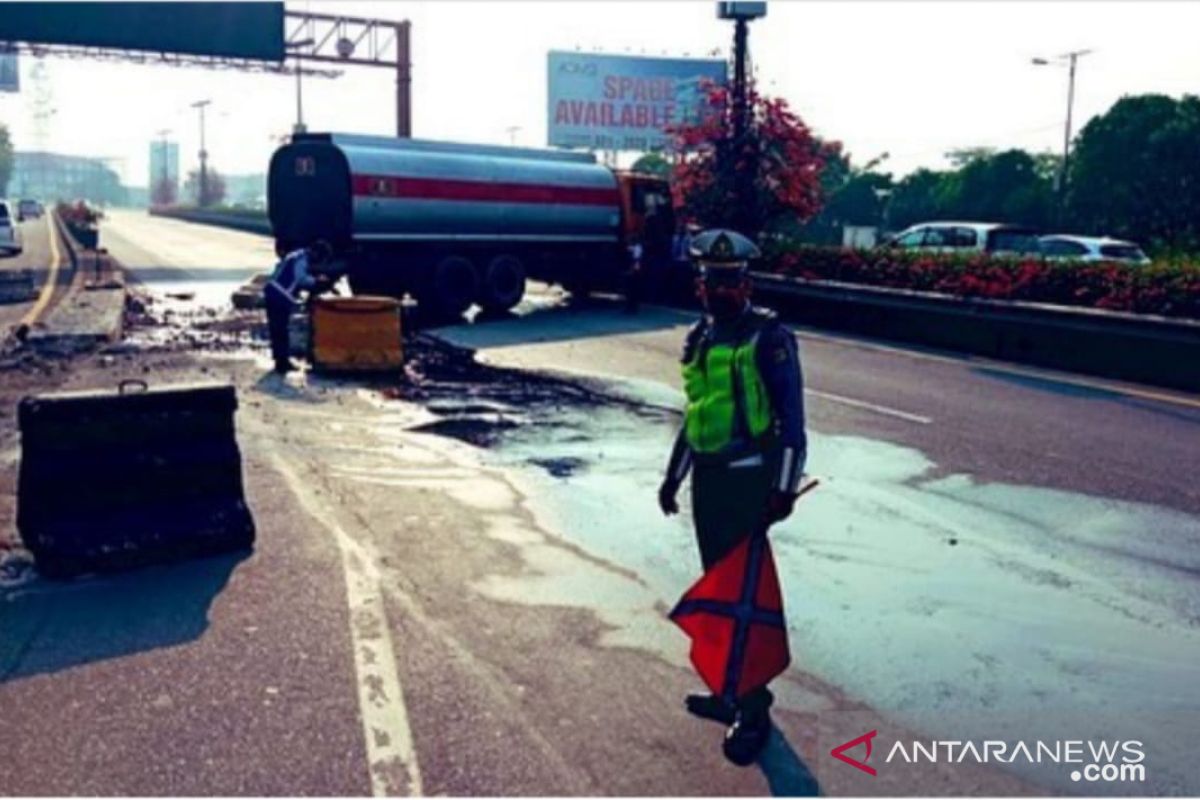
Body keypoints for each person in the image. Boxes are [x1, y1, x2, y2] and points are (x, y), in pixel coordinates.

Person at [657, 228, 807, 766]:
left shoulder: (769, 338)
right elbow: (695, 414)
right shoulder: (700, 336)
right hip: (709, 481)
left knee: (745, 595)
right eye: (710, 281)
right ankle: (730, 692)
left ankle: (754, 709)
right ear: (700, 285)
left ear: (747, 283)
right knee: (718, 587)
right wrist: (673, 477)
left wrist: (783, 489)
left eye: (729, 281)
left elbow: (793, 422)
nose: (718, 290)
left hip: (749, 482)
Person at [264, 241, 332, 374]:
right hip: (280, 295)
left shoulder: (297, 255)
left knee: (277, 329)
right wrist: (318, 282)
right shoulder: (302, 259)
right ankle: (282, 363)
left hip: (274, 292)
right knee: (280, 329)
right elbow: (301, 279)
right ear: (316, 254)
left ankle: (280, 360)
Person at [623, 237, 644, 314]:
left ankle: (633, 307)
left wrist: (633, 270)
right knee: (629, 289)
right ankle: (629, 306)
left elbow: (637, 260)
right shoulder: (630, 247)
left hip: (634, 271)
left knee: (633, 289)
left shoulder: (638, 248)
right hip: (630, 270)